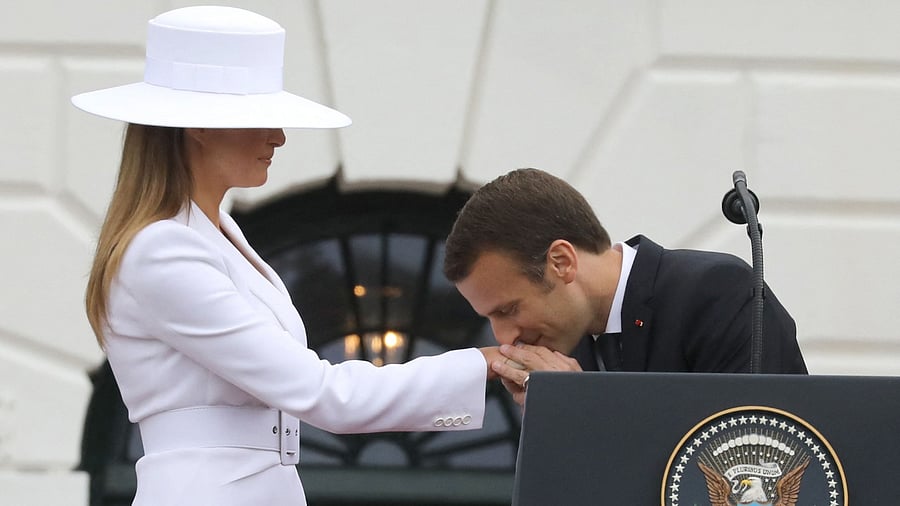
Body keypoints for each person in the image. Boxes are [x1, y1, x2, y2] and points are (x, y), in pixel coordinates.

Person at [73, 6, 502, 506]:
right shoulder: (163, 250)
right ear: (200, 126)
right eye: (261, 117)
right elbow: (322, 394)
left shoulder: (214, 235)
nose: (278, 136)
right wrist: (482, 365)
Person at [443, 168, 807, 405]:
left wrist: (581, 407)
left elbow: (744, 460)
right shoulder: (564, 351)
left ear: (561, 262)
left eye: (508, 309)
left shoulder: (715, 293)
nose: (505, 337)